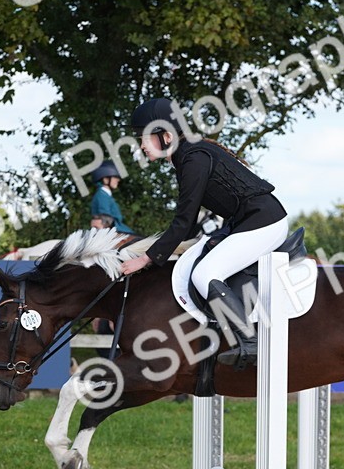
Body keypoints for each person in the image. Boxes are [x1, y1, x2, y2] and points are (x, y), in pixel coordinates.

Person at [119, 98, 288, 368]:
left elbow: (184, 221)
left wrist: (145, 259)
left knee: (203, 274)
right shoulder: (187, 155)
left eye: (144, 138)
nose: (140, 145)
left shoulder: (194, 158)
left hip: (264, 222)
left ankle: (249, 341)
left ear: (166, 135)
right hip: (247, 221)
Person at [88, 161, 136, 235]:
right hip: (114, 231)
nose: (118, 180)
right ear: (105, 179)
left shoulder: (106, 195)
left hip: (119, 229)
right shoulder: (102, 196)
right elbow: (105, 220)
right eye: (115, 177)